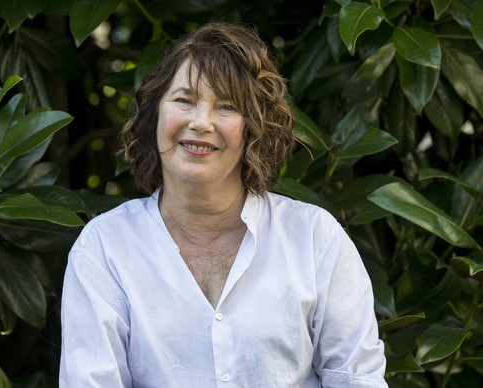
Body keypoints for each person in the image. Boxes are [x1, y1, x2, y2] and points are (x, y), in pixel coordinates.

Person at [59, 21, 387, 387]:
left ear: (254, 129)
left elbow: (357, 380)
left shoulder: (315, 240)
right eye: (184, 100)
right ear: (155, 114)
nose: (201, 123)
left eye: (227, 106)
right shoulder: (104, 248)